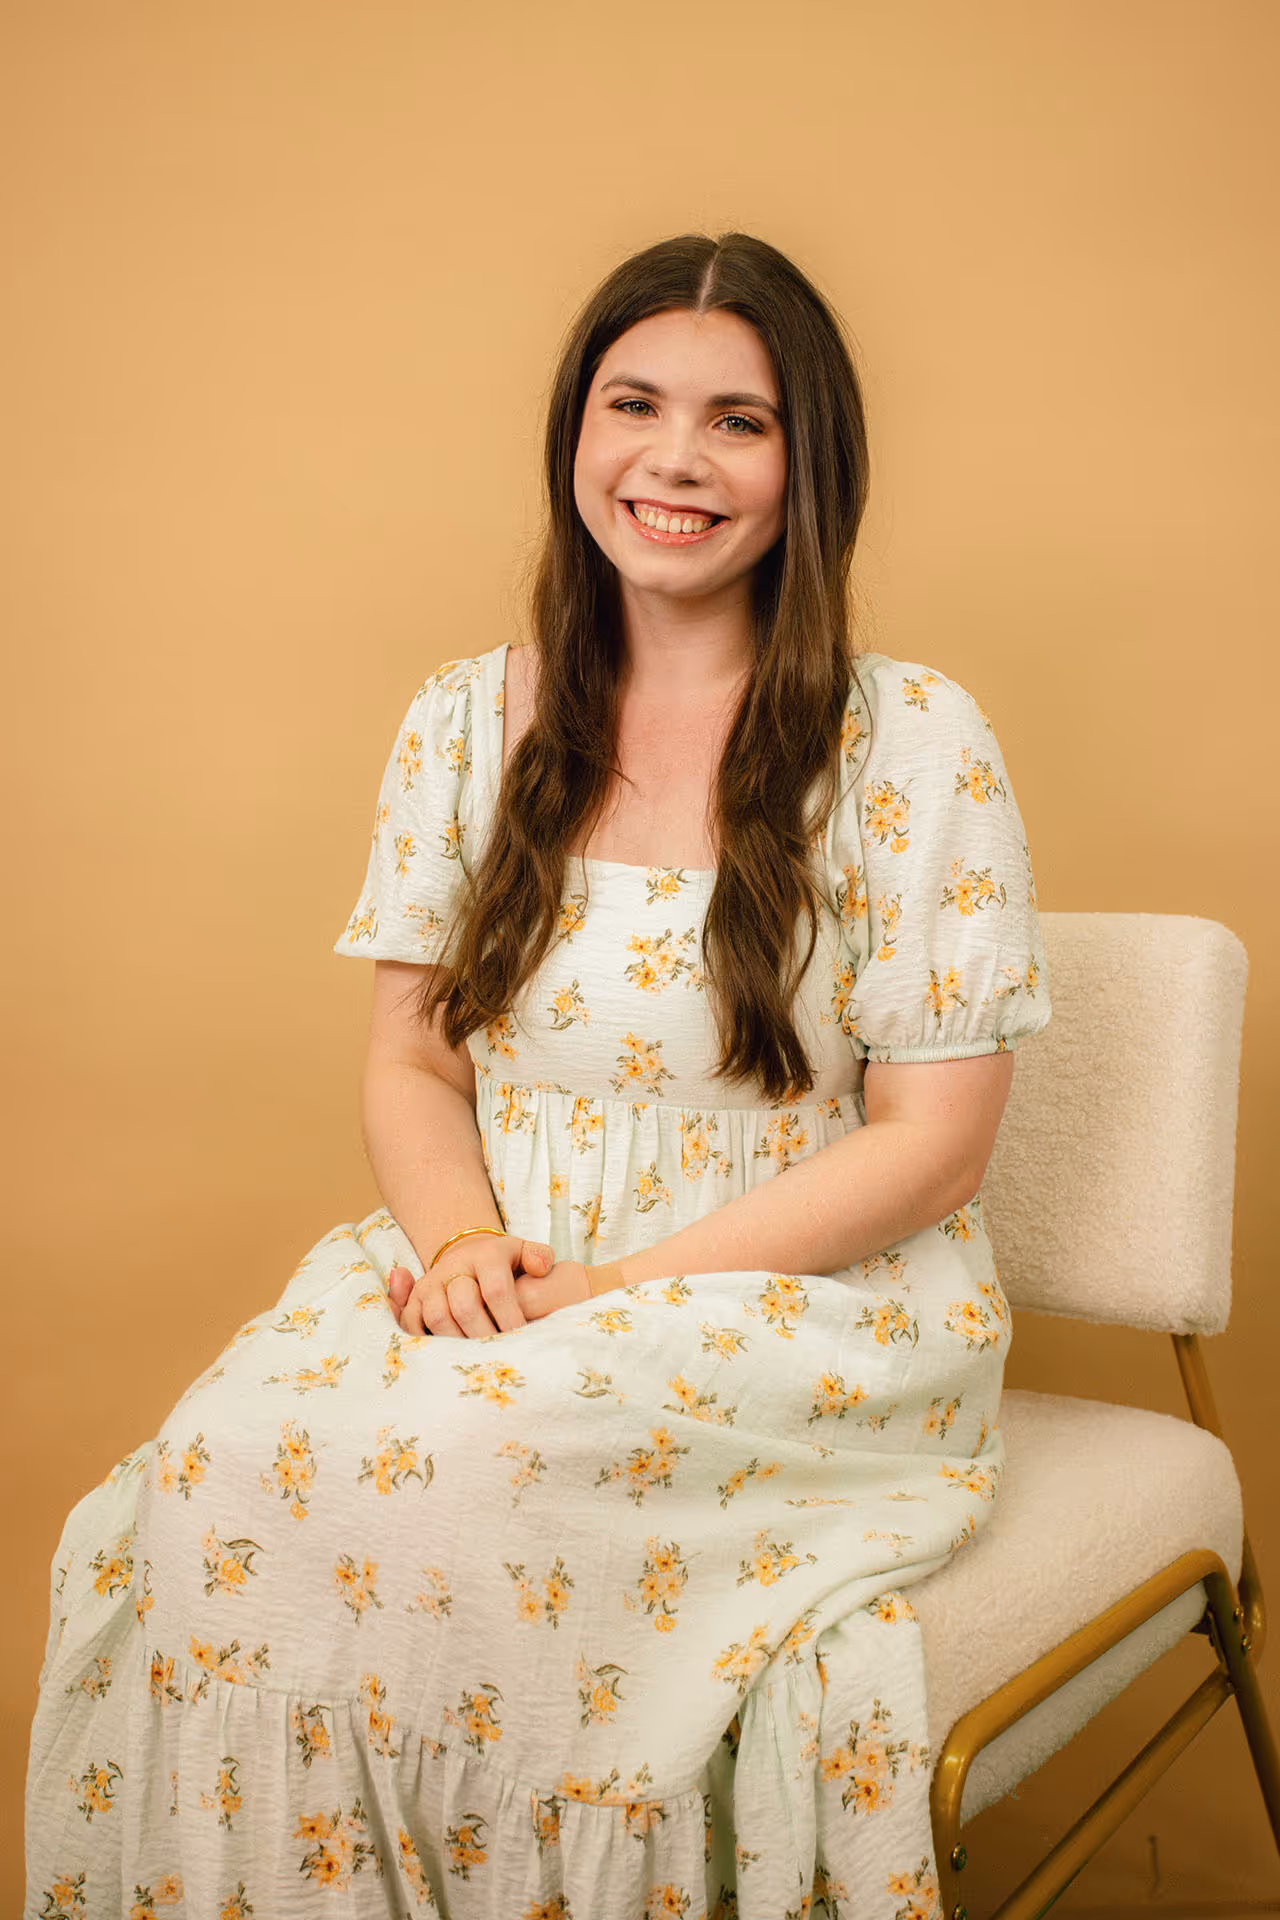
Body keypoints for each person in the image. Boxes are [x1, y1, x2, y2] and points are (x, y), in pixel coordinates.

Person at [25, 231, 1051, 1920]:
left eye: (740, 420)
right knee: (218, 1466)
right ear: (575, 434)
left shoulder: (914, 738)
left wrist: (618, 1294)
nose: (675, 458)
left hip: (792, 1289)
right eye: (634, 404)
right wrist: (457, 1249)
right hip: (501, 1257)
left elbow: (932, 1149)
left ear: (811, 467)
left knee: (476, 1478)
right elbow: (414, 1067)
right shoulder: (464, 722)